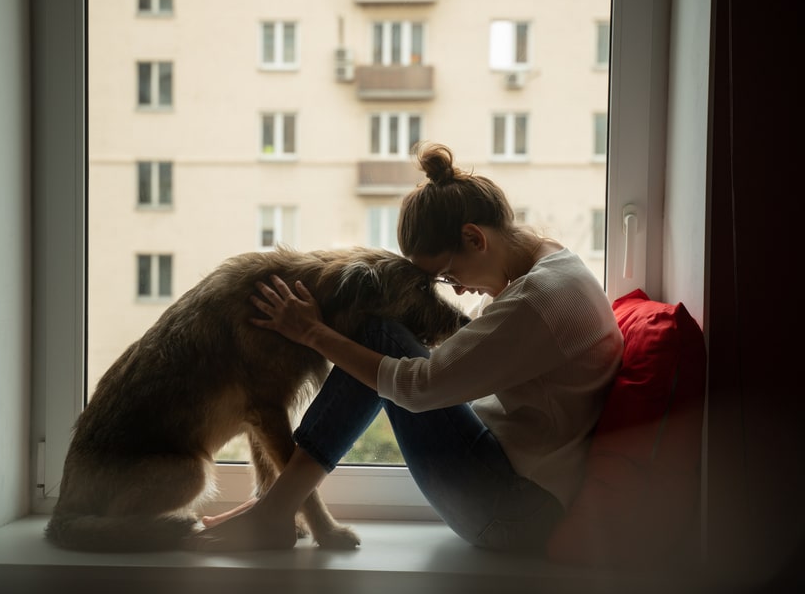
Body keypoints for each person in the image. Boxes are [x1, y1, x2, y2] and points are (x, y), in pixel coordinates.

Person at [187, 141, 624, 553]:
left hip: (512, 511)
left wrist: (312, 332)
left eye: (449, 276)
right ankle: (277, 504)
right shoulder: (558, 266)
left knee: (379, 337)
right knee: (383, 346)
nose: (459, 290)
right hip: (520, 494)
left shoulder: (537, 300)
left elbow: (418, 388)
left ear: (475, 238)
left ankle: (276, 508)